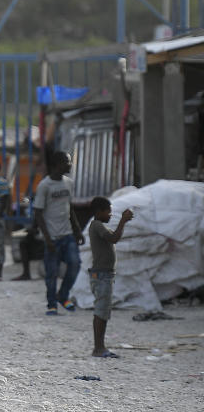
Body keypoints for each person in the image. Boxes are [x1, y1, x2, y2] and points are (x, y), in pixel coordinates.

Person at [34, 150, 84, 315]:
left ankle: (63, 295)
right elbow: (38, 213)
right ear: (56, 165)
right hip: (52, 237)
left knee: (75, 264)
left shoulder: (69, 183)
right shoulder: (44, 186)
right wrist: (47, 239)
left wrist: (77, 231)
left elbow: (70, 209)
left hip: (67, 235)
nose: (70, 165)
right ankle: (51, 304)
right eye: (67, 162)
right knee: (52, 272)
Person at [88, 196, 134, 358]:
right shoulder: (97, 225)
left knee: (103, 311)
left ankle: (100, 347)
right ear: (98, 212)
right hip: (101, 275)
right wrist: (123, 220)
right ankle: (98, 348)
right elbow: (114, 238)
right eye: (108, 212)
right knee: (101, 311)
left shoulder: (97, 225)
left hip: (104, 275)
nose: (110, 215)